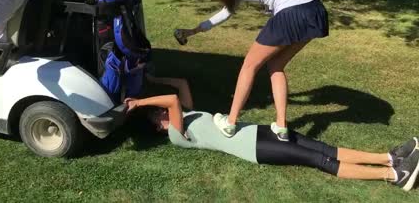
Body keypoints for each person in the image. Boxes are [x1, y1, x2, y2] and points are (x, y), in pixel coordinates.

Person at [151, 0, 329, 140]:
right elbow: (226, 13)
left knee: (249, 66)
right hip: (314, 10)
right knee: (276, 66)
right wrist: (195, 30)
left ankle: (230, 122)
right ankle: (281, 126)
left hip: (292, 11)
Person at [125, 94, 419, 192]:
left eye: (159, 109)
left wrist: (152, 77)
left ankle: (388, 157)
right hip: (253, 149)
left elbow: (179, 88)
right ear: (158, 125)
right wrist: (140, 103)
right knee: (317, 160)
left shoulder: (188, 115)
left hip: (256, 131)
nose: (163, 110)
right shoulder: (177, 134)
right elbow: (172, 99)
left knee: (320, 147)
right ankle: (394, 176)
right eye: (159, 113)